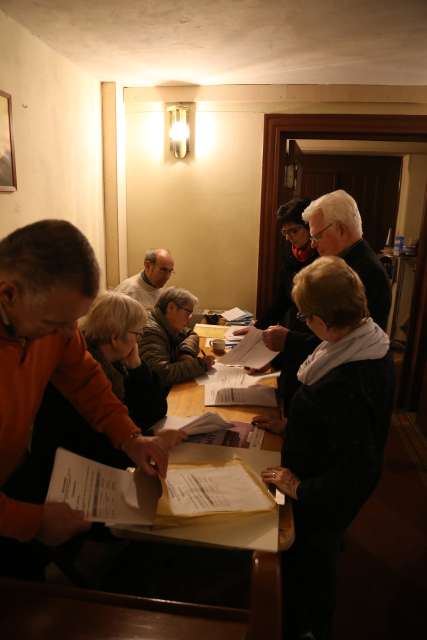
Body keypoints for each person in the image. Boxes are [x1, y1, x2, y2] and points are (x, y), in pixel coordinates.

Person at [0, 220, 182, 581]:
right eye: (56, 321)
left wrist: (130, 438)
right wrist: (32, 522)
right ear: (8, 295)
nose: (71, 334)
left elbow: (84, 379)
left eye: (75, 320)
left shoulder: (55, 327)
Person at [260, 256, 395, 640]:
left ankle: (308, 630)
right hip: (321, 475)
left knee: (311, 568)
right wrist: (292, 424)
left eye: (304, 316)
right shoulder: (365, 341)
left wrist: (299, 487)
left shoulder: (348, 380)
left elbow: (358, 468)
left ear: (323, 317)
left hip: (322, 495)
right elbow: (339, 428)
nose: (304, 323)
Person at [256, 189, 392, 426]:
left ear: (339, 228)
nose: (314, 245)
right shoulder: (344, 263)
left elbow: (343, 344)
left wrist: (287, 342)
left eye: (317, 236)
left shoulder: (366, 272)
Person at [31, 291, 170, 488]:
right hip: (65, 479)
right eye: (138, 334)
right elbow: (103, 445)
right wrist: (142, 438)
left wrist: (137, 365)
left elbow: (152, 411)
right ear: (115, 337)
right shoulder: (88, 366)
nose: (138, 341)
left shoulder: (115, 364)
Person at [256, 197, 317, 332]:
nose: (288, 237)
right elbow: (282, 299)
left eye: (294, 231)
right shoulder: (291, 254)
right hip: (294, 327)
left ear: (310, 228)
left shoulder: (323, 258)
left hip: (315, 332)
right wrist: (257, 329)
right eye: (285, 232)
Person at [140, 286, 215, 387]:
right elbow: (162, 374)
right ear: (171, 307)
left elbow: (191, 334)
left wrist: (185, 352)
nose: (189, 319)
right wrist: (201, 365)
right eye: (188, 313)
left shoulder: (167, 322)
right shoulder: (151, 331)